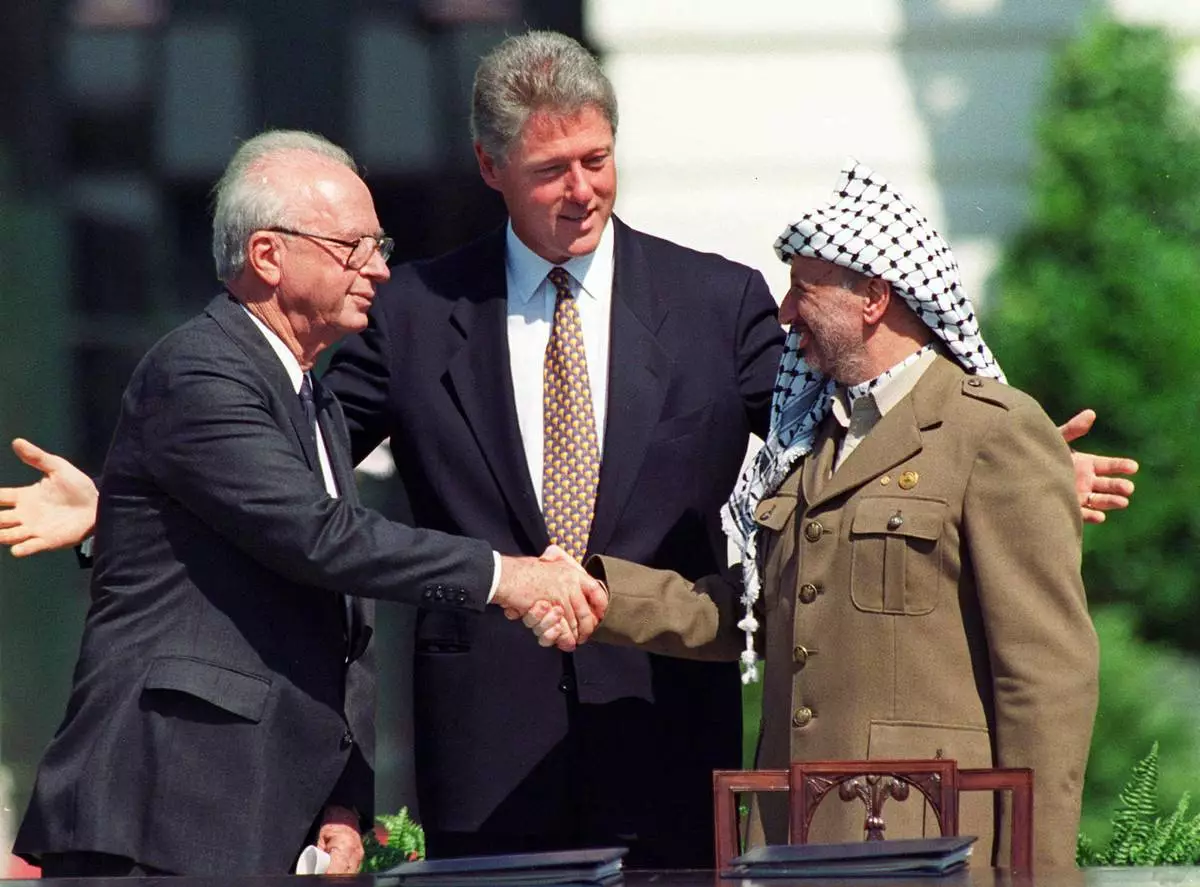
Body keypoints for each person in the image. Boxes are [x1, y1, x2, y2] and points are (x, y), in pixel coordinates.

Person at [0, 32, 1135, 867]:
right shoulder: (409, 308)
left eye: (597, 159)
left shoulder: (717, 298)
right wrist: (124, 502)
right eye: (550, 169)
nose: (581, 188)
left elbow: (837, 438)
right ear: (493, 170)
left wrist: (1013, 467)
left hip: (669, 732)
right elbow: (287, 478)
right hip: (487, 752)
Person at [8, 130, 605, 878]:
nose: (380, 268)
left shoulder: (313, 395)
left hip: (256, 814)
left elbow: (329, 606)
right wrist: (508, 576)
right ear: (267, 255)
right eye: (354, 246)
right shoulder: (198, 370)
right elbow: (321, 538)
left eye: (379, 244)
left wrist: (343, 801)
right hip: (164, 808)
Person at [530, 161, 1101, 869]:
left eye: (803, 289)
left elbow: (1046, 676)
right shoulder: (808, 441)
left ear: (873, 298)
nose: (784, 314)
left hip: (929, 847)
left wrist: (1037, 869)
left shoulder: (992, 432)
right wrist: (600, 592)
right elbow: (758, 613)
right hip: (797, 840)